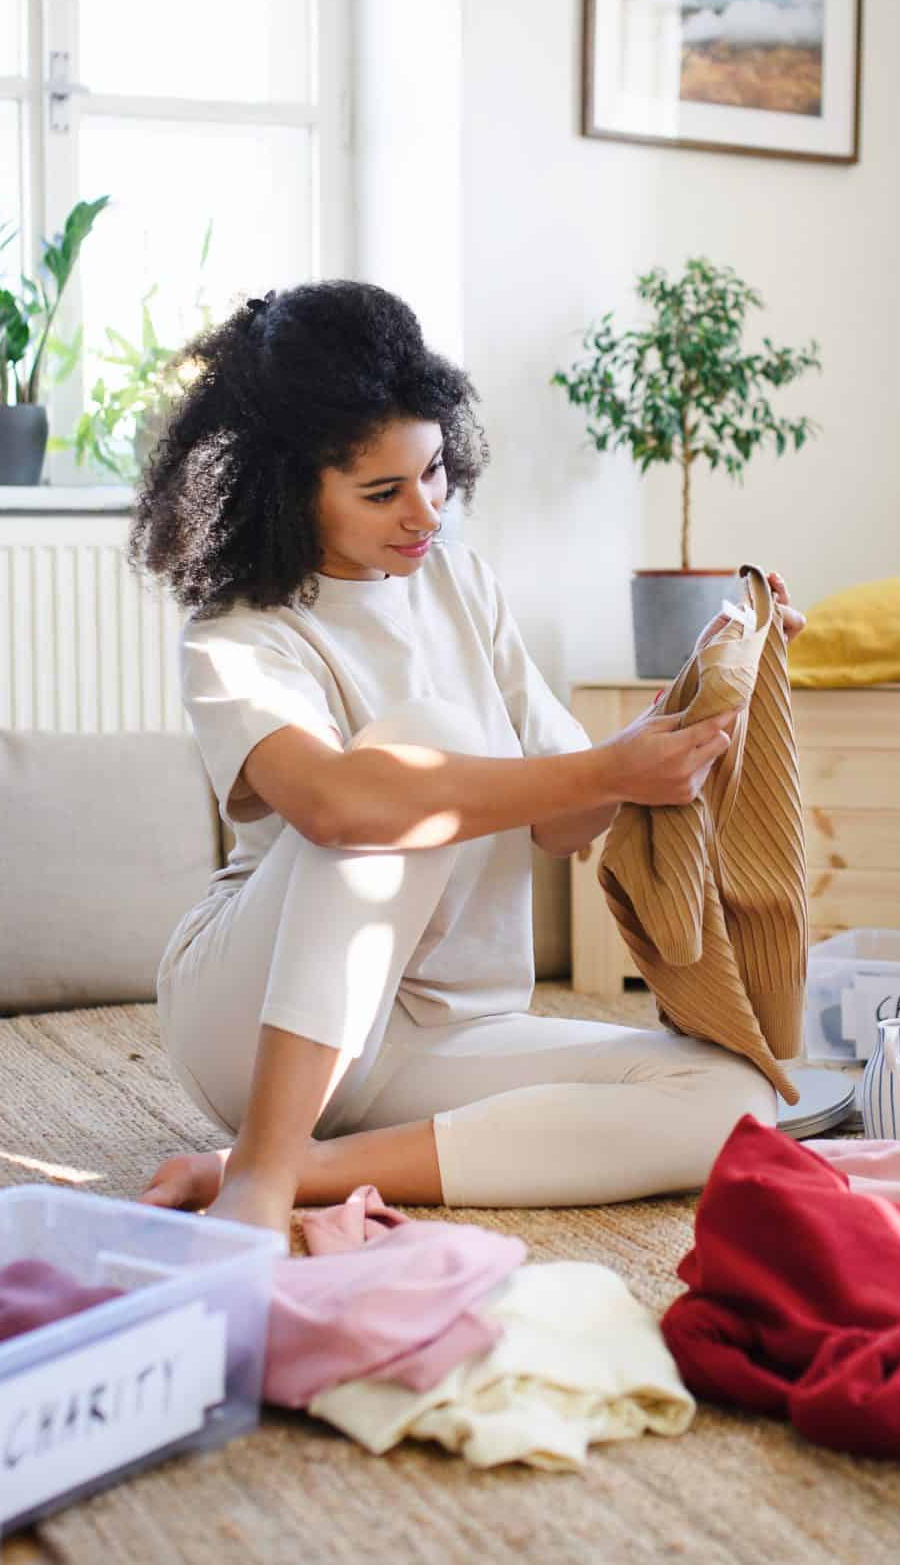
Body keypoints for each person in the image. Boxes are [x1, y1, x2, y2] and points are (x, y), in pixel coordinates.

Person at [126, 279, 804, 1235]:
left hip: (447, 1030)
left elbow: (567, 817)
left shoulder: (461, 583)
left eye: (436, 471)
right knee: (417, 752)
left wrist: (695, 705)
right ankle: (262, 1170)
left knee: (737, 1100)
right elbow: (337, 806)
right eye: (382, 491)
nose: (426, 512)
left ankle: (310, 1168)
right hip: (255, 1026)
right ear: (287, 487)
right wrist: (606, 770)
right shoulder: (237, 633)